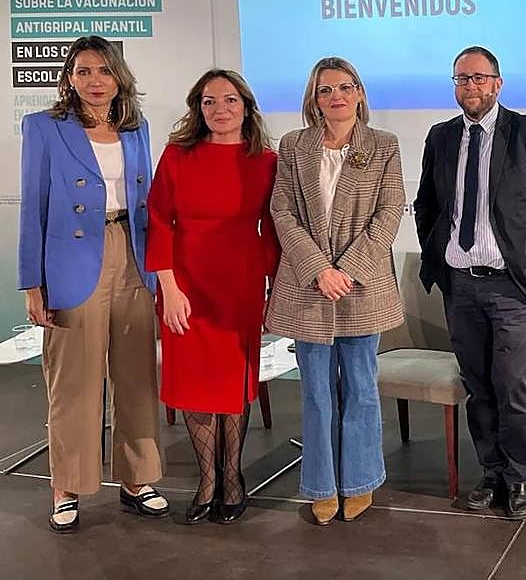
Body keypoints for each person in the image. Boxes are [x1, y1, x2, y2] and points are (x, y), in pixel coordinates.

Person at [414, 45, 526, 519]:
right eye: (462, 79)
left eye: (479, 78)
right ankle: (491, 473)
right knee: (479, 386)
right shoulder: (441, 137)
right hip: (461, 286)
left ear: (498, 83)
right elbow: (427, 205)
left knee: (513, 387)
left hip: (512, 286)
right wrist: (438, 253)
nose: (471, 86)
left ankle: (520, 477)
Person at [17, 35, 169, 532]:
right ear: (69, 78)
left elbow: (148, 200)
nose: (95, 81)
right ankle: (67, 486)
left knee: (137, 375)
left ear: (119, 77)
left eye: (104, 70)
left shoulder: (136, 127)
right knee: (75, 382)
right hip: (71, 259)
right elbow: (33, 206)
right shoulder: (44, 127)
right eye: (83, 71)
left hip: (133, 254)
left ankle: (137, 479)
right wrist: (32, 283)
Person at [267, 56, 405, 525]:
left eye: (345, 87)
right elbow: (282, 211)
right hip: (308, 288)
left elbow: (390, 211)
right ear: (314, 98)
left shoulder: (383, 144)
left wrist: (346, 269)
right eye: (325, 90)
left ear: (360, 93)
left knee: (362, 388)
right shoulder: (294, 145)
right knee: (316, 392)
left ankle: (360, 480)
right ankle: (322, 485)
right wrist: (318, 270)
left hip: (361, 287)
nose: (336, 97)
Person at [147, 69, 280, 525]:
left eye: (229, 100)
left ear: (246, 106)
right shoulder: (177, 155)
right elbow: (159, 221)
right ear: (198, 108)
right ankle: (207, 481)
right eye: (209, 101)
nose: (219, 109)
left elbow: (273, 231)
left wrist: (272, 289)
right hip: (184, 286)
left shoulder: (266, 160)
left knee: (231, 383)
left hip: (239, 285)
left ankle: (233, 477)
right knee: (194, 383)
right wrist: (168, 288)